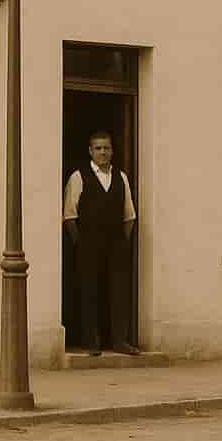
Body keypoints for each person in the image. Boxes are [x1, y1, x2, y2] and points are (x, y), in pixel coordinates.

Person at [62, 131, 139, 355]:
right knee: (89, 291)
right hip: (88, 244)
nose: (103, 152)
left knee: (118, 291)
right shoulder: (79, 176)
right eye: (98, 148)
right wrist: (80, 242)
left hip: (115, 244)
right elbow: (69, 215)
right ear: (90, 151)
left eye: (106, 148)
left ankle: (119, 340)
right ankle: (92, 341)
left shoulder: (121, 177)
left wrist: (122, 241)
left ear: (112, 151)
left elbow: (129, 216)